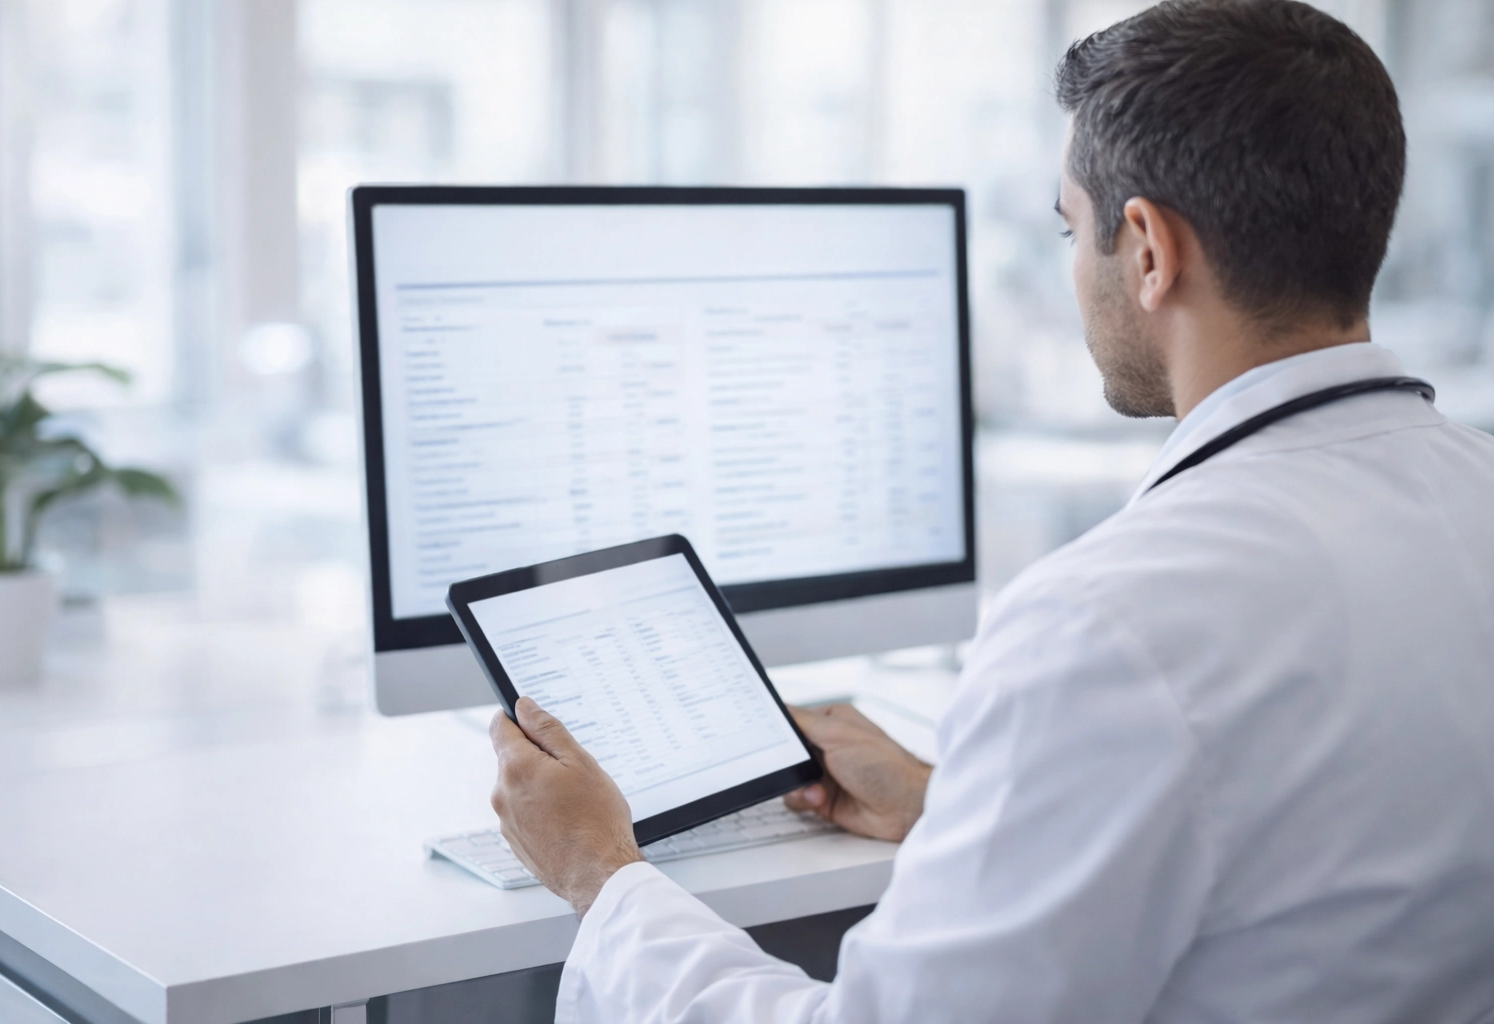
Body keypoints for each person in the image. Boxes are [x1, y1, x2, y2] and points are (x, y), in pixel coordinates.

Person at [487, 1, 1494, 1020]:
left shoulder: (1108, 623)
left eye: (1072, 228)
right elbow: (1298, 864)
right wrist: (954, 805)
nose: (1073, 269)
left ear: (1149, 249)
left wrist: (602, 874)